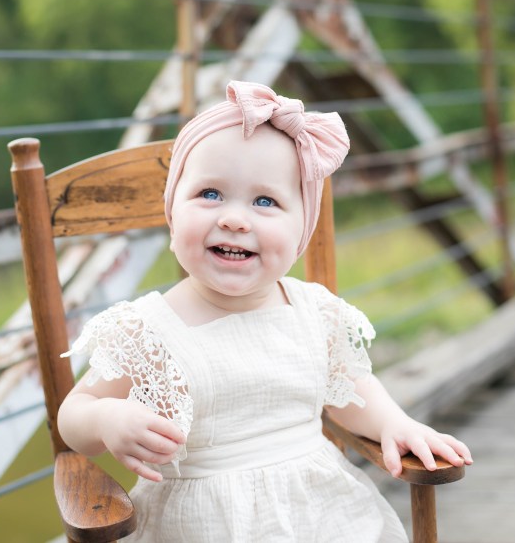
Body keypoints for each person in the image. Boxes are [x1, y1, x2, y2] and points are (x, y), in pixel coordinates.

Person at [58, 80, 472, 542]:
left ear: (301, 232)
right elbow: (75, 414)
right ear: (172, 212)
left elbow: (351, 390)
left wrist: (394, 421)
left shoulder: (312, 311)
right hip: (200, 525)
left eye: (265, 201)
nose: (234, 218)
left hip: (321, 515)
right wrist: (106, 420)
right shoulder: (148, 329)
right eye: (210, 194)